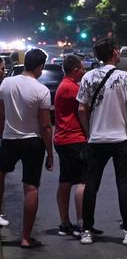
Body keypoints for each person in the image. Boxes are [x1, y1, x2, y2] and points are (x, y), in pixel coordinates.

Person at [77, 38, 127, 245]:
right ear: (114, 52)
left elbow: (82, 109)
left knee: (91, 184)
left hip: (96, 139)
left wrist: (89, 132)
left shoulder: (88, 77)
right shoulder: (126, 77)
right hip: (120, 139)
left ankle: (86, 231)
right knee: (124, 184)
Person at [0, 48, 54, 249]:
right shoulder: (41, 90)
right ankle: (25, 238)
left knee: (0, 175)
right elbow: (46, 126)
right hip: (32, 141)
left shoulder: (6, 83)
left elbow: (1, 114)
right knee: (31, 188)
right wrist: (50, 153)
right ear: (40, 67)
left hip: (9, 138)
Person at [54, 55, 88, 237]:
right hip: (74, 139)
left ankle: (65, 223)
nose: (84, 71)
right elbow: (87, 105)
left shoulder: (64, 85)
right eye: (82, 69)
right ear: (75, 70)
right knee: (83, 181)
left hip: (63, 139)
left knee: (65, 181)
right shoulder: (71, 87)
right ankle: (82, 223)